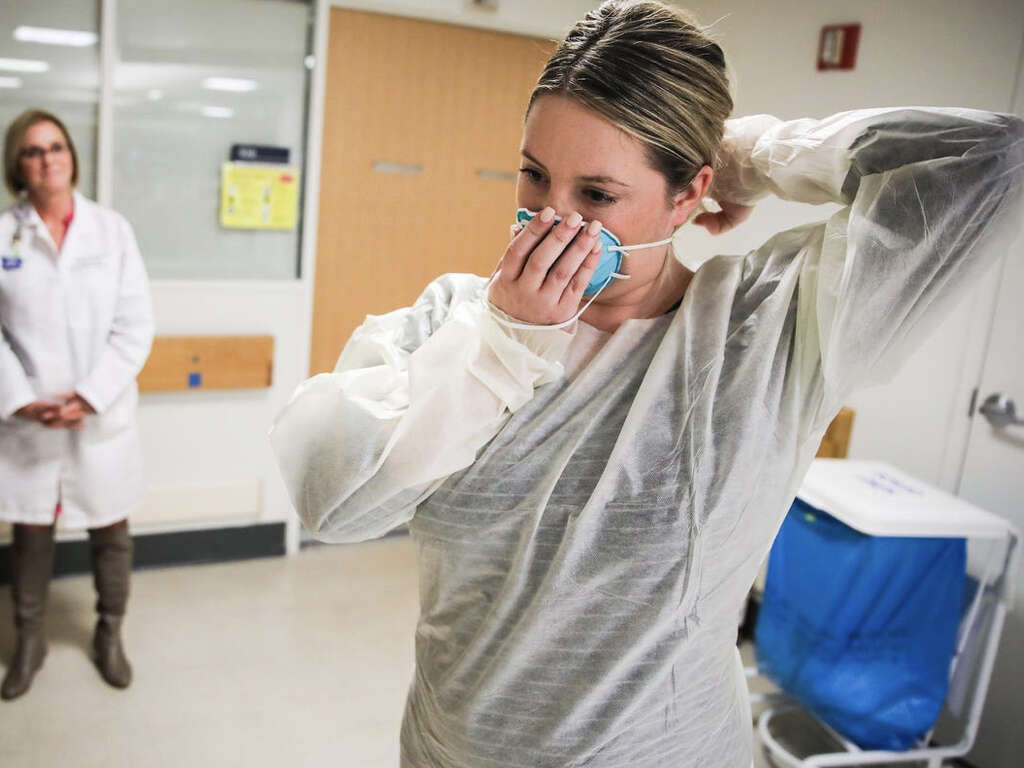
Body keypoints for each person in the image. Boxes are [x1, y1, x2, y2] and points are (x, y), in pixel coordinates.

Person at [271, 1, 1024, 765]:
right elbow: (333, 500)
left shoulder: (766, 329)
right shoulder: (455, 325)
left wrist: (755, 155)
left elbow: (987, 160)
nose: (550, 218)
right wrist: (500, 350)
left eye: (597, 195)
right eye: (534, 175)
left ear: (688, 195)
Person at [0, 109, 153, 700]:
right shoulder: (4, 235)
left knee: (111, 528)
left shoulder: (111, 231)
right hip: (31, 416)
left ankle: (110, 633)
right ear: (18, 165)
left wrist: (89, 396)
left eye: (56, 147)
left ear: (72, 156)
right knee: (31, 532)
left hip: (99, 413)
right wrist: (20, 400)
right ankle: (29, 642)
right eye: (33, 151)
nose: (48, 160)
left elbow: (134, 325)